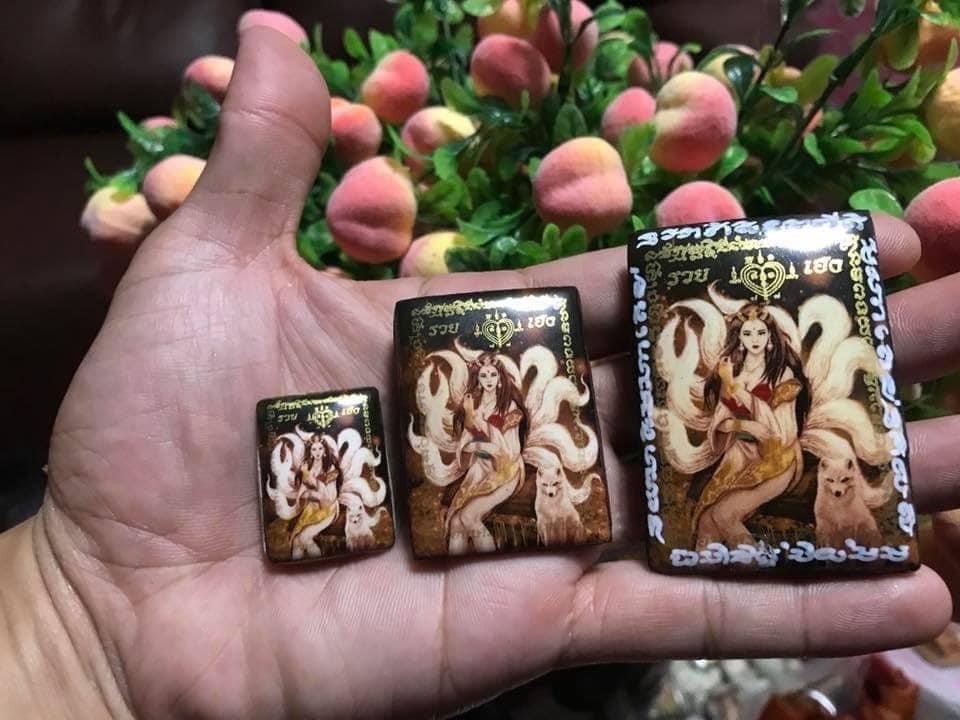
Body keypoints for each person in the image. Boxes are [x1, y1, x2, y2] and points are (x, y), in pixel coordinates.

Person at [2, 14, 960, 719]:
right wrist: (72, 627)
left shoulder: (781, 383)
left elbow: (750, 425)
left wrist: (73, 638)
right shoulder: (494, 411)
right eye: (739, 338)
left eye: (757, 340)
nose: (746, 346)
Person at [695, 304, 807, 547]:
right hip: (739, 457)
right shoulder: (731, 372)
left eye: (760, 333)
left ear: (770, 337)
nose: (754, 339)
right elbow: (720, 422)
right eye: (747, 333)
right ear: (740, 339)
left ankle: (759, 564)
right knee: (706, 521)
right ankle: (701, 567)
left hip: (777, 459)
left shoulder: (782, 375)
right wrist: (742, 425)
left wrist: (736, 388)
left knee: (724, 515)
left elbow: (776, 432)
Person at [447, 352, 526, 554]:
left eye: (493, 375)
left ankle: (492, 564)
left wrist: (483, 436)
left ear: (499, 379)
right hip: (480, 471)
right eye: (484, 375)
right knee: (456, 521)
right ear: (478, 380)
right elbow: (465, 444)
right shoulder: (473, 407)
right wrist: (478, 445)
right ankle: (452, 564)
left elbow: (509, 451)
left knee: (468, 517)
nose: (489, 379)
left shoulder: (509, 407)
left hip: (506, 471)